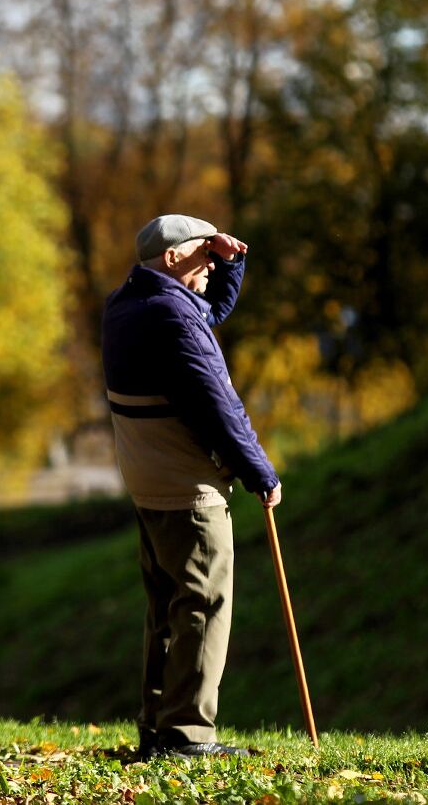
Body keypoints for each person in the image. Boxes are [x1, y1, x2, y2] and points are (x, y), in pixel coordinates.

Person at [101, 213, 282, 759]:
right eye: (204, 256)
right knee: (203, 604)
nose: (211, 265)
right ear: (174, 257)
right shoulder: (172, 317)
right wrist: (259, 472)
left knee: (167, 610)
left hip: (147, 481)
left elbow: (209, 312)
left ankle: (158, 729)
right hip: (187, 488)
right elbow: (217, 407)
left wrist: (233, 262)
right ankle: (188, 737)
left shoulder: (127, 304)